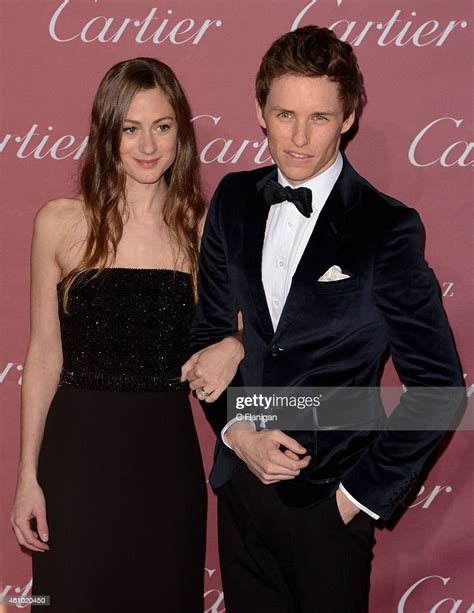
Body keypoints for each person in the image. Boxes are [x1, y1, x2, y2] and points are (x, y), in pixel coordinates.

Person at [183, 26, 465, 613]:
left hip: (329, 502)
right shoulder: (232, 200)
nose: (299, 137)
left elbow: (438, 388)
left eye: (319, 117)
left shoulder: (386, 228)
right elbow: (208, 339)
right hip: (240, 490)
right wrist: (238, 436)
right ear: (260, 110)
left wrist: (355, 497)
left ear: (349, 117)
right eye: (285, 114)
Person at [9, 57, 238, 613]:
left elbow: (247, 331)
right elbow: (42, 357)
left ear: (180, 133)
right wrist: (27, 478)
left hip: (166, 461)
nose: (147, 145)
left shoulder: (205, 231)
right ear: (106, 133)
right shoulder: (59, 222)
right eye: (130, 128)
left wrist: (235, 342)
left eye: (162, 126)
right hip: (74, 462)